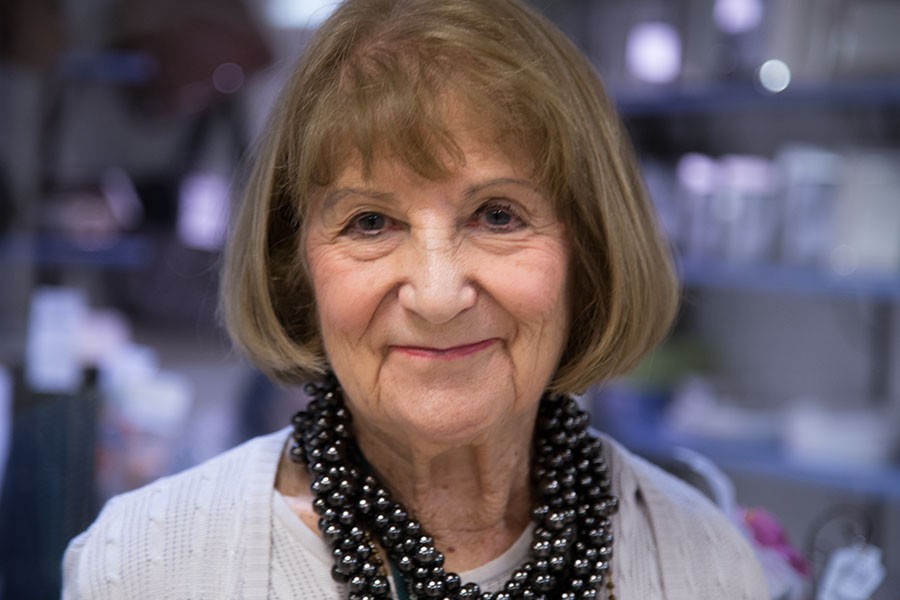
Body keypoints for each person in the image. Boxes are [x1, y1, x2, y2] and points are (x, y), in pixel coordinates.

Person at [62, 0, 769, 598]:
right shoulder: (144, 567)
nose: (436, 296)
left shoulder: (705, 564)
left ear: (590, 250)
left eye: (497, 215)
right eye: (371, 222)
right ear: (294, 267)